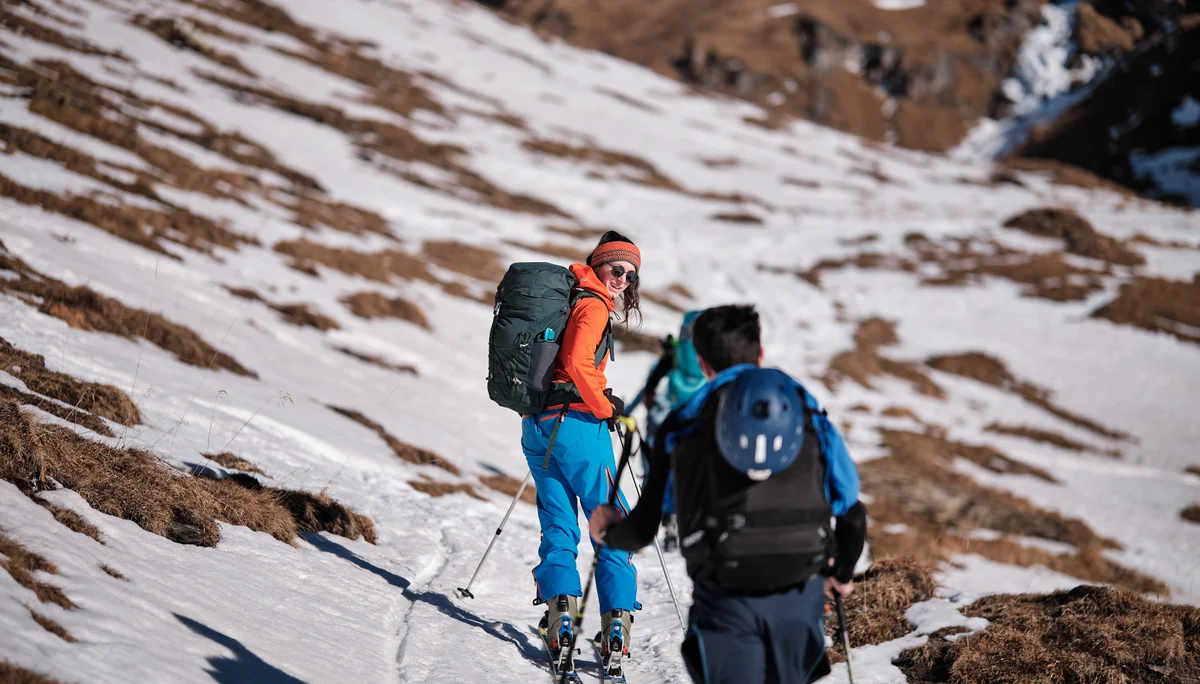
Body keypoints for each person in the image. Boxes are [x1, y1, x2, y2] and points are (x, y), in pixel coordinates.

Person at [590, 304, 867, 684]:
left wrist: (607, 530)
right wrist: (843, 572)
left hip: (724, 596)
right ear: (761, 354)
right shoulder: (807, 415)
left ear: (703, 364)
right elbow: (852, 512)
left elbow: (645, 525)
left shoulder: (683, 425)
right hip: (800, 594)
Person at [521, 231, 643, 681]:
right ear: (599, 264)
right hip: (577, 429)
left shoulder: (571, 301)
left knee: (558, 524)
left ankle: (560, 625)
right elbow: (576, 361)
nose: (623, 280)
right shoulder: (593, 305)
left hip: (538, 426)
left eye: (631, 275)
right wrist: (606, 406)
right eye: (617, 269)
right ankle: (615, 634)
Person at [635, 310, 707, 550]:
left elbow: (652, 384)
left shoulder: (675, 354)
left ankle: (653, 523)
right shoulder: (706, 354)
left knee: (660, 470)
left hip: (672, 418)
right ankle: (681, 524)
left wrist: (649, 395)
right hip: (698, 421)